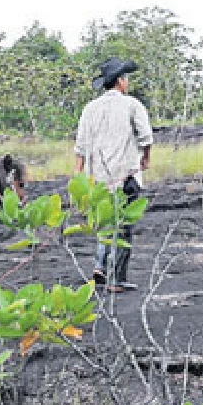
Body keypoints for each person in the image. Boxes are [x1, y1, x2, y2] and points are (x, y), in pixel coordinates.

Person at [74, 57, 153, 292]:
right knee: (124, 225)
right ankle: (116, 279)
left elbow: (80, 147)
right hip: (126, 176)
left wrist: (77, 178)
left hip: (96, 179)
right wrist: (146, 158)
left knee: (104, 223)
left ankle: (100, 265)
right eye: (126, 79)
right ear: (120, 81)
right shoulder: (132, 105)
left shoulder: (89, 108)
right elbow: (146, 137)